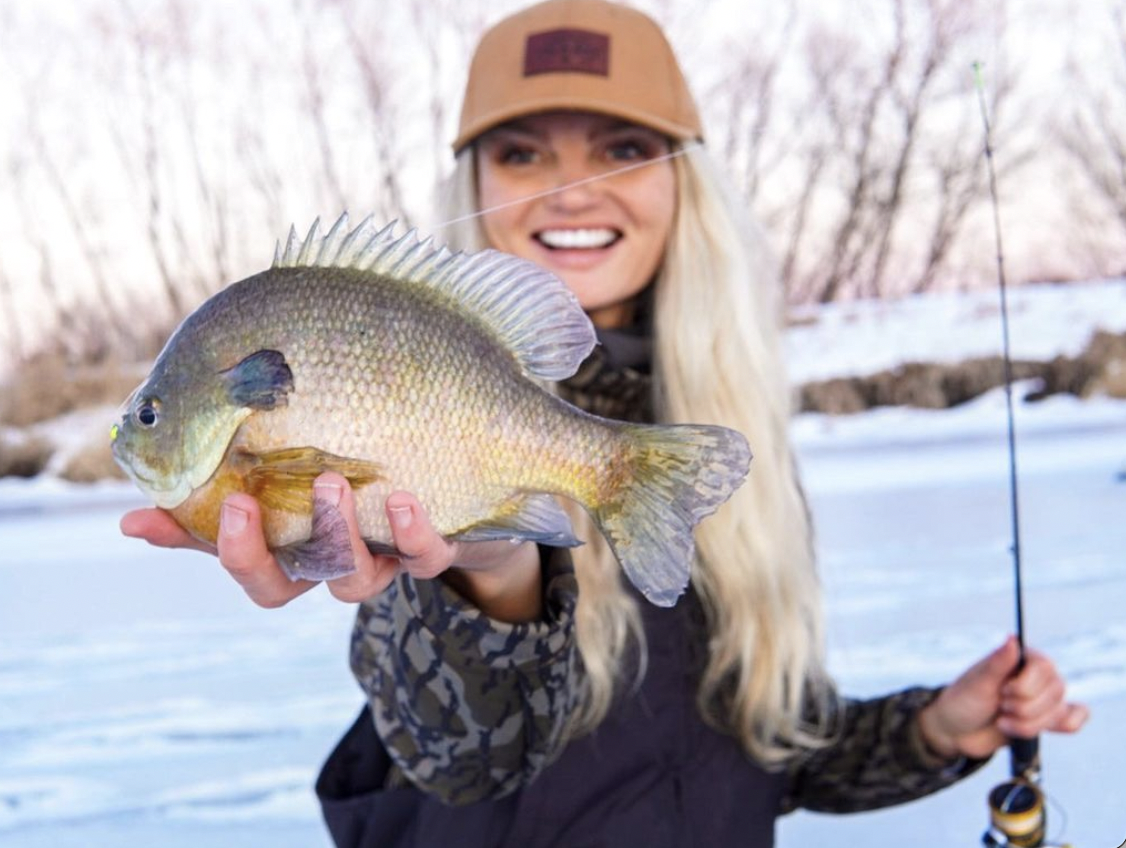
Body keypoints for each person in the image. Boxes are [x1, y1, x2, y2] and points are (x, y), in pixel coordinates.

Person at [121, 1, 1089, 845]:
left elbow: (765, 750)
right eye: (523, 152)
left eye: (623, 147)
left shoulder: (720, 422)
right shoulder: (416, 433)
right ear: (473, 182)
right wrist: (489, 571)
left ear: (685, 181)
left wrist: (934, 730)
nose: (574, 187)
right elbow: (462, 760)